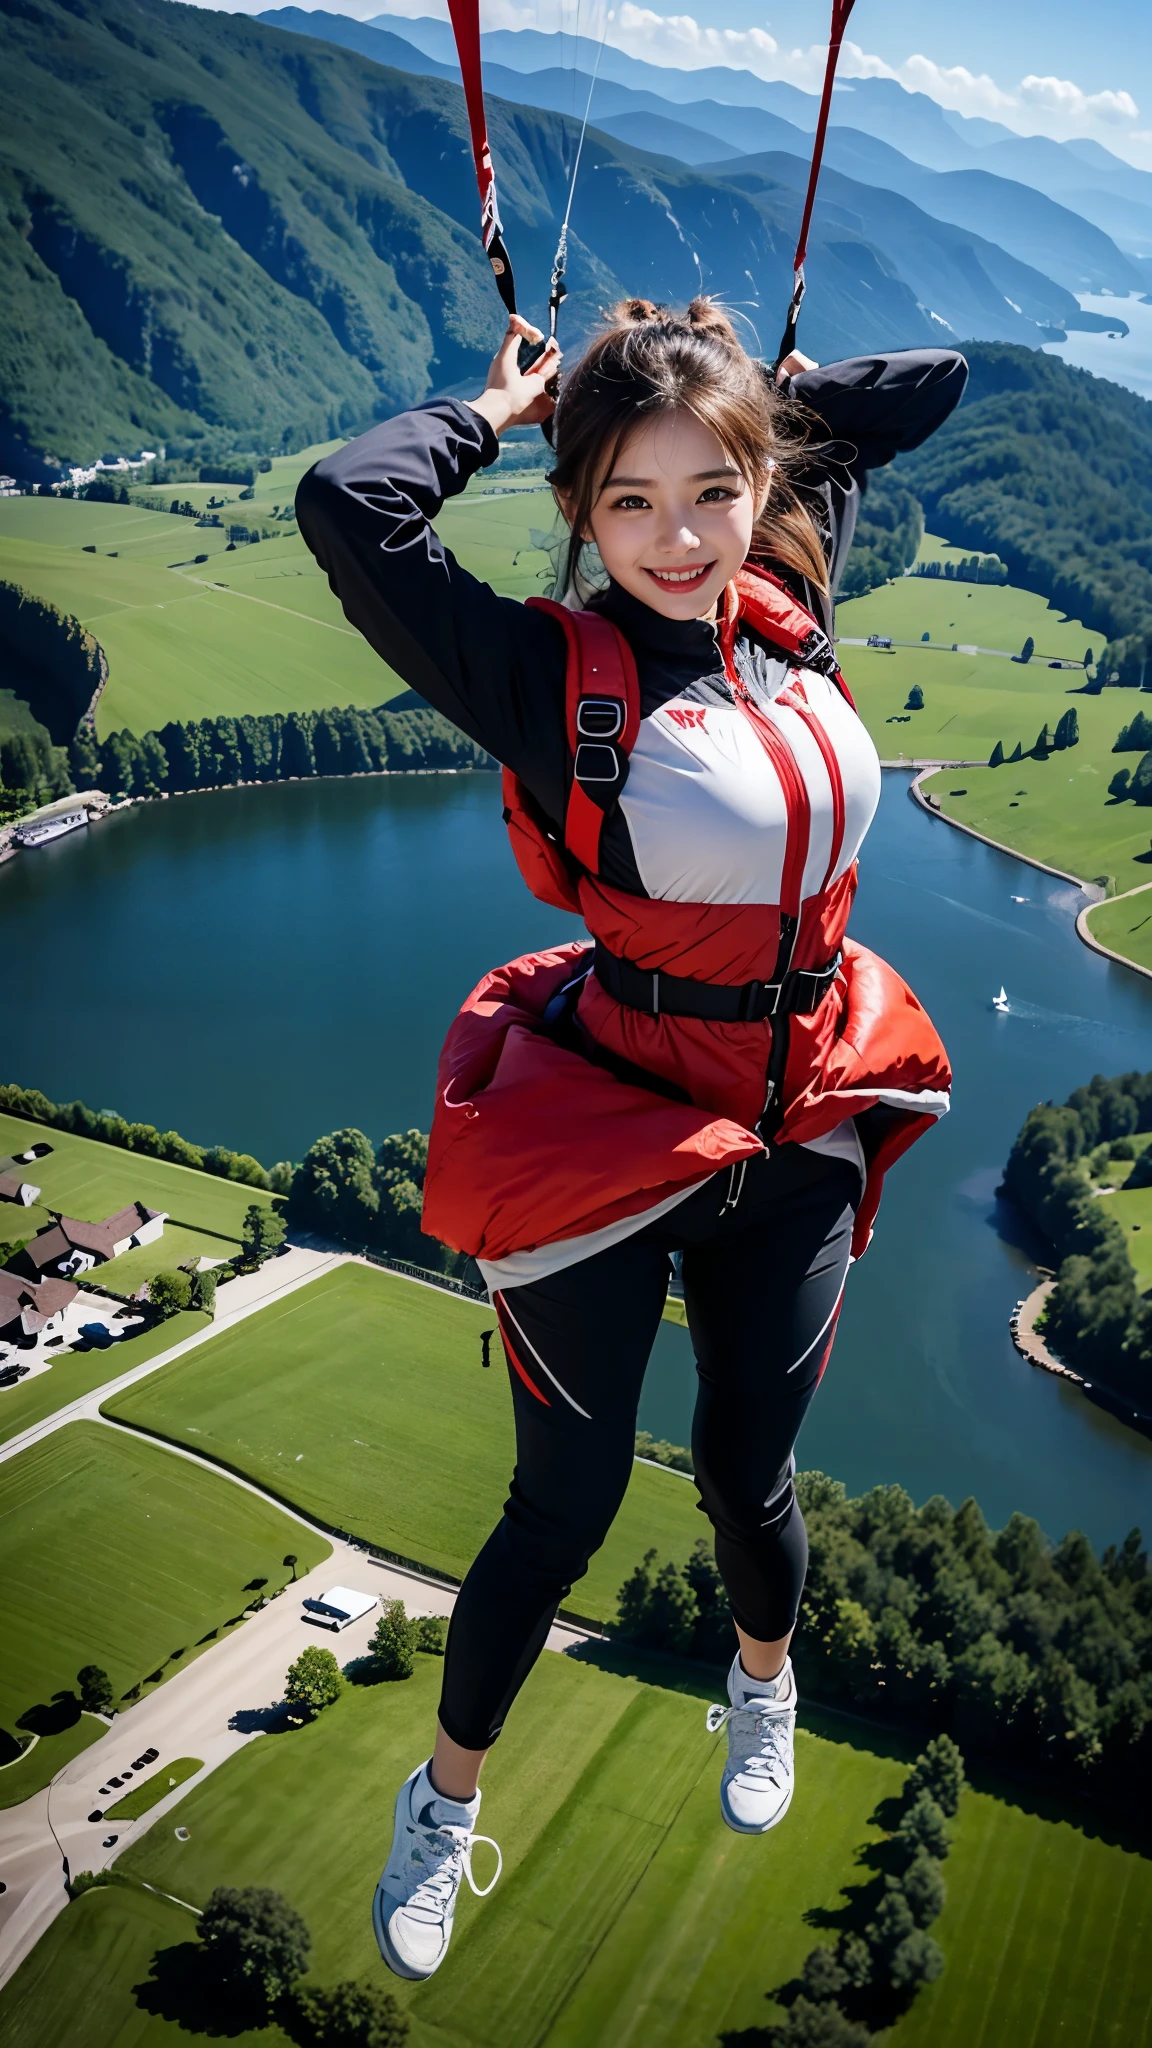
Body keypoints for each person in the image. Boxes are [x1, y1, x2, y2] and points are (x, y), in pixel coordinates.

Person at [296, 299, 960, 1982]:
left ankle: (763, 1683)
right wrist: (504, 407)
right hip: (609, 1124)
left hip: (797, 1100)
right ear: (582, 513)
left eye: (714, 493)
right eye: (632, 504)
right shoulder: (547, 676)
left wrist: (760, 396)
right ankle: (444, 1809)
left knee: (748, 1468)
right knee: (566, 1502)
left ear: (759, 486)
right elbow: (344, 505)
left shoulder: (786, 596)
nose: (680, 541)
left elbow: (933, 388)